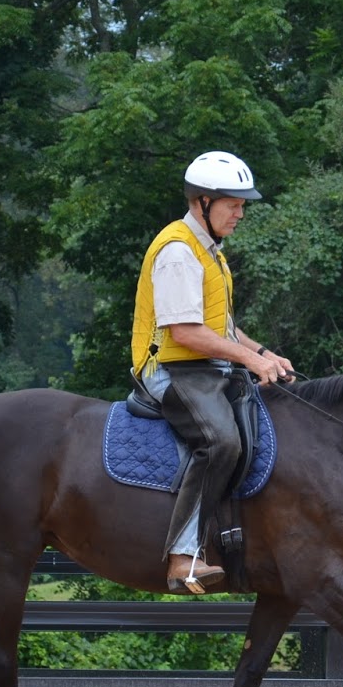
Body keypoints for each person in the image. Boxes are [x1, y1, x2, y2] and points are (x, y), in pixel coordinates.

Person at [130, 151, 294, 593]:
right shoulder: (179, 251)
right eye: (233, 203)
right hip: (167, 368)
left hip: (202, 368)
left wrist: (264, 353)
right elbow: (184, 332)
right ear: (203, 201)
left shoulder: (211, 253)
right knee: (220, 440)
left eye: (242, 204)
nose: (241, 213)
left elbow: (218, 328)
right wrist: (249, 360)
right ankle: (183, 559)